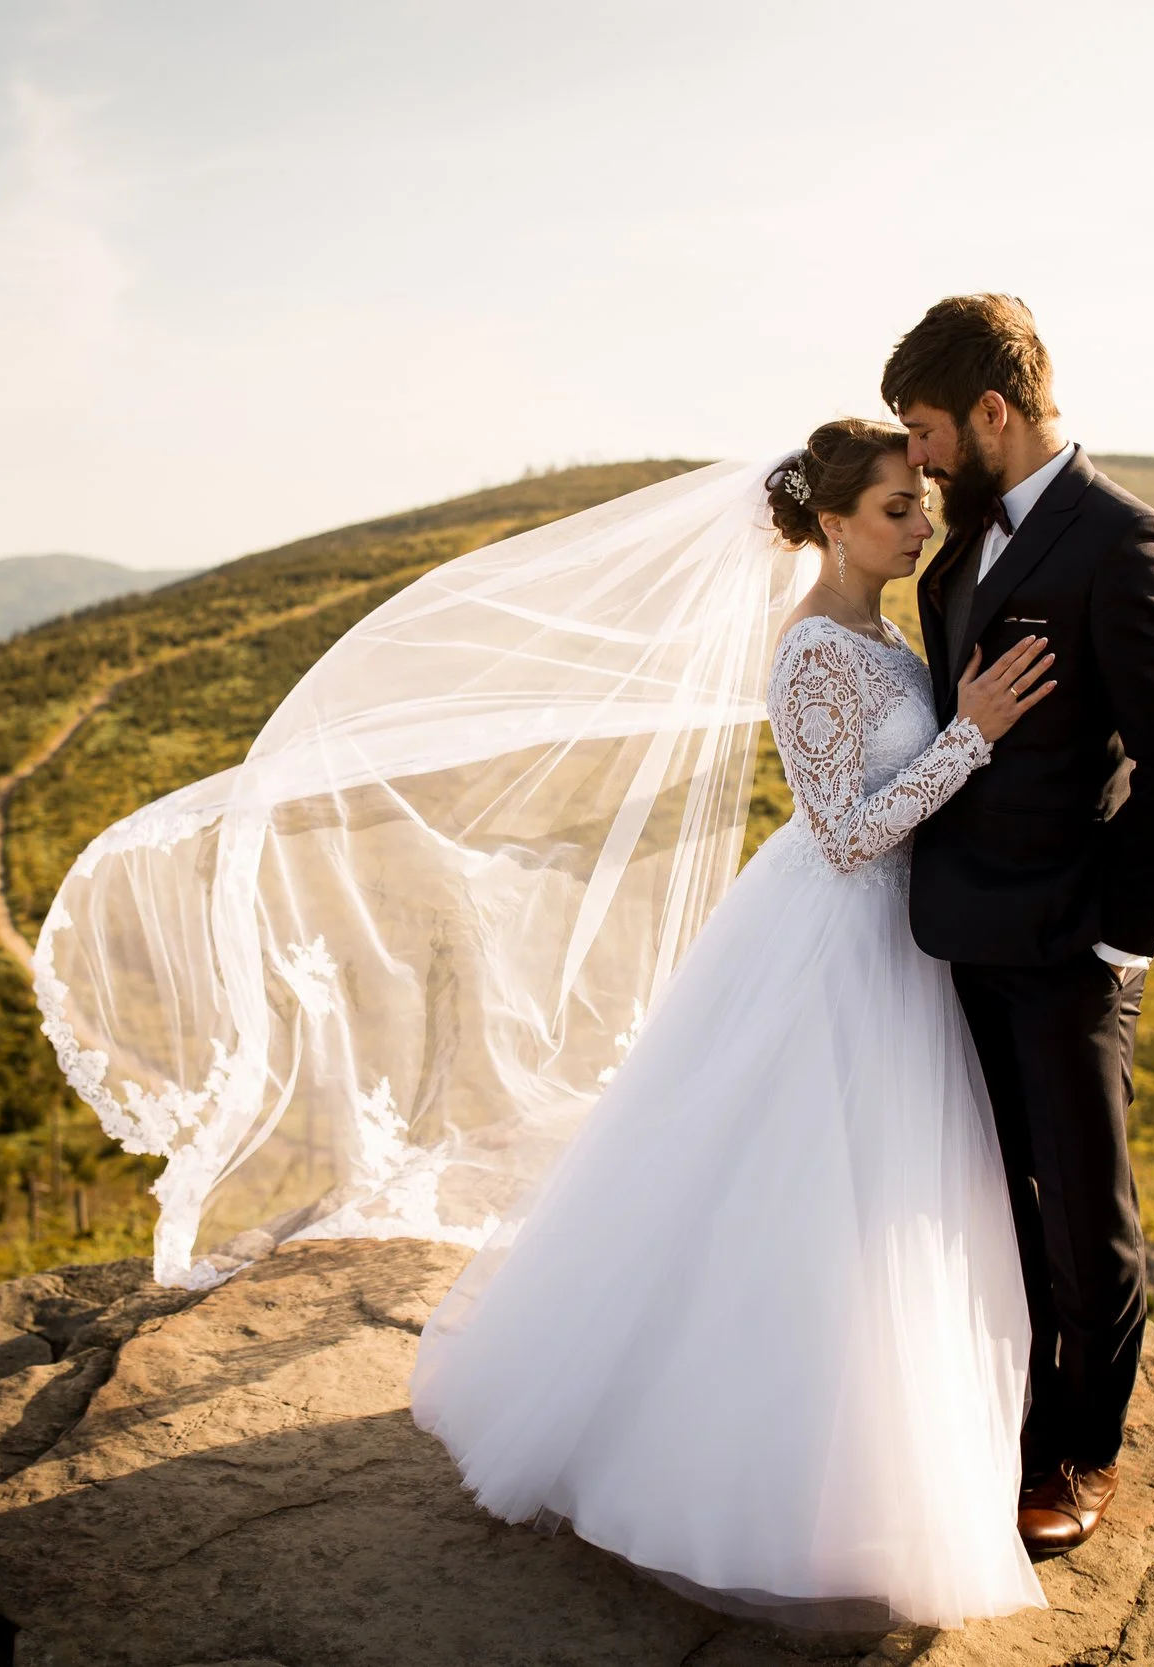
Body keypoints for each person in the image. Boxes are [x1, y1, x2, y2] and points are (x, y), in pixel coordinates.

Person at [403, 421, 1054, 1626]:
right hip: (827, 947)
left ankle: (871, 1466)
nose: (921, 526)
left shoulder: (881, 628)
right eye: (897, 510)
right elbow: (846, 831)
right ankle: (736, 1476)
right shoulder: (812, 649)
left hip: (897, 950)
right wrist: (972, 736)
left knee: (879, 1209)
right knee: (793, 1199)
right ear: (831, 524)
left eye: (918, 504)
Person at [886, 295, 1154, 1552]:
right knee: (1001, 1210)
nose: (914, 457)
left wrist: (1120, 941)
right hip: (956, 941)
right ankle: (1013, 1427)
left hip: (1071, 950)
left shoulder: (1120, 540)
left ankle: (1084, 1454)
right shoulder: (960, 560)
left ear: (991, 410)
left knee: (1089, 1222)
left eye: (924, 429)